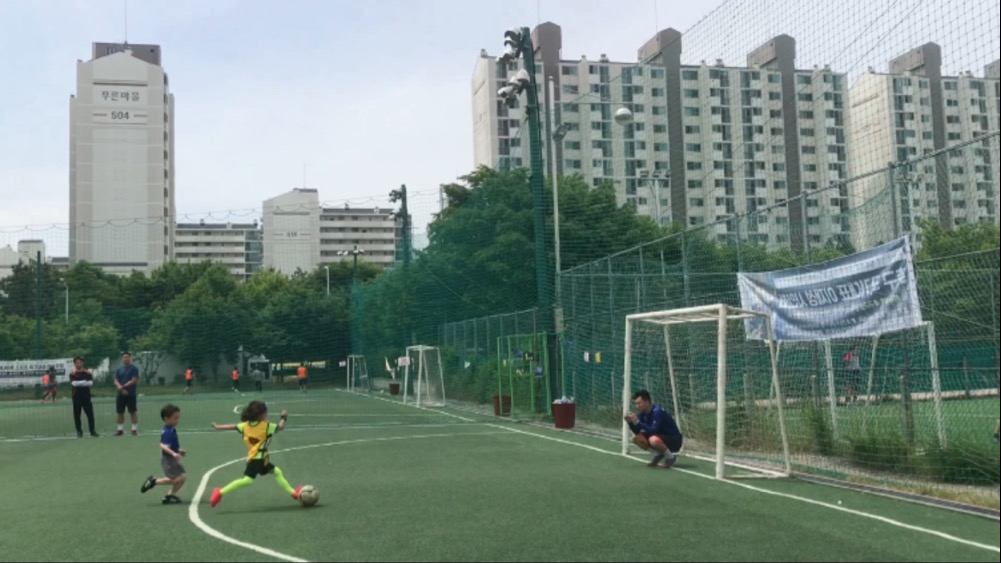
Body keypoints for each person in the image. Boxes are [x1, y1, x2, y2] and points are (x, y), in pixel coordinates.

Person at [209, 401, 303, 508]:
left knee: (277, 472)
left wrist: (218, 426)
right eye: (266, 413)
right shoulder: (267, 426)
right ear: (261, 415)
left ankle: (294, 493)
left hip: (258, 458)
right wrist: (283, 417)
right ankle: (219, 492)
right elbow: (281, 427)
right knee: (247, 481)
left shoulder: (245, 425)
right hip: (258, 459)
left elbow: (233, 426)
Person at [624, 390, 684, 469]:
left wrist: (637, 422)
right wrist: (630, 422)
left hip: (674, 440)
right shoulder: (642, 414)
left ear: (647, 402)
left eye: (639, 403)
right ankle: (657, 455)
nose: (637, 406)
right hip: (659, 439)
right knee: (636, 438)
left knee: (653, 439)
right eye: (636, 404)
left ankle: (670, 457)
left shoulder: (657, 412)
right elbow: (637, 432)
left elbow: (653, 431)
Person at [141, 404, 187, 505]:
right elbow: (162, 446)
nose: (177, 420)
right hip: (168, 459)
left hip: (171, 458)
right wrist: (173, 454)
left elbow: (171, 445)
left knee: (182, 478)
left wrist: (179, 451)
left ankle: (168, 496)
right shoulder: (167, 432)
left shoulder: (171, 429)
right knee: (177, 479)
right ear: (166, 419)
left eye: (178, 417)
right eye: (175, 418)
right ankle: (154, 482)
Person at [70, 356, 99, 438]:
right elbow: (74, 384)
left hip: (86, 396)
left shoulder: (87, 373)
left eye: (80, 362)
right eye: (76, 362)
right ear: (74, 364)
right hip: (76, 396)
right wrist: (84, 382)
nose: (78, 364)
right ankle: (79, 431)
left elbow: (90, 383)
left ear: (83, 363)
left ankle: (92, 431)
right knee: (77, 415)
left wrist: (80, 382)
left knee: (90, 414)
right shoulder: (72, 373)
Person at [115, 352, 140, 436]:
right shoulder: (119, 369)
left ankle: (134, 430)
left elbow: (134, 380)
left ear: (130, 358)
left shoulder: (134, 369)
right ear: (122, 359)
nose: (126, 359)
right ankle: (119, 430)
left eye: (127, 357)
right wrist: (120, 388)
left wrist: (123, 387)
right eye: (124, 357)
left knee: (132, 411)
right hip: (120, 394)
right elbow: (116, 380)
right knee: (120, 412)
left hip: (131, 394)